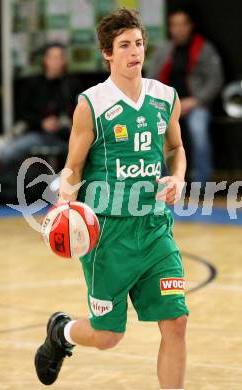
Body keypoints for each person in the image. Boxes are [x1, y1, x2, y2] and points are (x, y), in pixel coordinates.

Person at [35, 8, 189, 389]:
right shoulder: (92, 104)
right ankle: (62, 332)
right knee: (108, 336)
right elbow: (72, 167)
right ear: (107, 52)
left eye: (138, 43)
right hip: (107, 234)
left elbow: (177, 147)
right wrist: (62, 208)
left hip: (154, 227)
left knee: (177, 322)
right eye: (124, 45)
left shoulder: (165, 97)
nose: (134, 52)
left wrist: (179, 177)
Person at [147, 5, 224, 186]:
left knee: (199, 131)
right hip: (166, 105)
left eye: (183, 24)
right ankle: (161, 183)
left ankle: (201, 184)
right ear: (170, 27)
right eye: (174, 25)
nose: (179, 29)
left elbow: (215, 79)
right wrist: (164, 103)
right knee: (156, 134)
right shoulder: (164, 50)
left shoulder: (204, 48)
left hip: (195, 104)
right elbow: (150, 78)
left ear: (190, 26)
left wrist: (195, 100)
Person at [0, 42, 82, 169]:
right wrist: (42, 123)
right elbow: (22, 112)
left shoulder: (72, 84)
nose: (58, 61)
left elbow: (81, 111)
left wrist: (66, 122)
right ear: (46, 60)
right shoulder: (33, 84)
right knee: (7, 152)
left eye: (61, 57)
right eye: (54, 57)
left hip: (66, 137)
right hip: (37, 134)